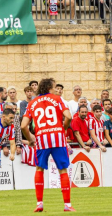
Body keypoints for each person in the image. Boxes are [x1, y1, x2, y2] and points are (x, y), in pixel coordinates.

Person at [21, 78, 74, 212]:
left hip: (42, 137)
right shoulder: (57, 99)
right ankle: (67, 205)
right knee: (62, 170)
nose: (56, 89)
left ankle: (39, 203)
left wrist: (30, 138)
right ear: (50, 88)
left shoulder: (32, 103)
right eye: (55, 87)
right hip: (57, 136)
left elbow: (23, 126)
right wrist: (65, 128)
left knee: (39, 169)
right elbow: (68, 116)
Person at [0, 109, 16, 179]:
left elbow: (12, 143)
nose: (12, 120)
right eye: (10, 118)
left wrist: (12, 154)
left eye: (13, 118)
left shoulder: (11, 128)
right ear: (4, 117)